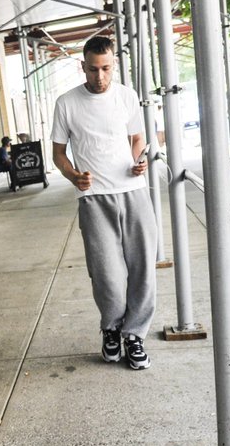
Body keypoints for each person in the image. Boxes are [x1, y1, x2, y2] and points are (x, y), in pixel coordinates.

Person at [51, 35, 154, 371]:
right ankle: (111, 327)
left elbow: (138, 138)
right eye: (93, 69)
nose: (100, 76)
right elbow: (58, 153)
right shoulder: (67, 102)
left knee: (142, 267)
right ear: (83, 66)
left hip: (133, 191)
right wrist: (72, 176)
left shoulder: (126, 95)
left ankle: (134, 334)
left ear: (114, 65)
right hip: (93, 198)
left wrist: (140, 160)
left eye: (106, 68)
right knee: (106, 273)